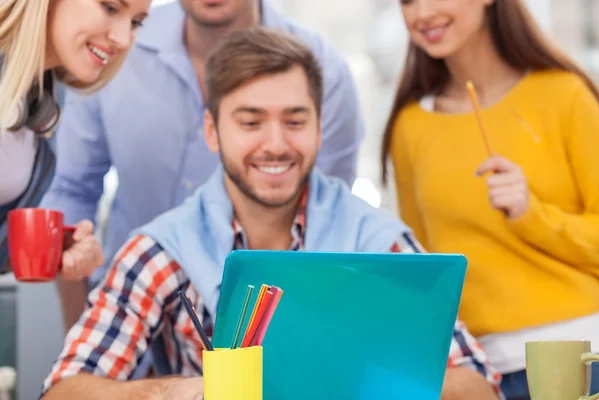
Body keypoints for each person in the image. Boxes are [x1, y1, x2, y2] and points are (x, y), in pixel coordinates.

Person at [41, 27, 501, 400]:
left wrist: (358, 379)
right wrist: (181, 391)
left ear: (320, 129)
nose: (276, 144)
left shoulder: (380, 244)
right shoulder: (162, 251)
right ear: (213, 131)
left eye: (295, 121)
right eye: (250, 122)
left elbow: (479, 384)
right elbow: (64, 390)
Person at [39, 0, 365, 330]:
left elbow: (326, 223)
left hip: (270, 336)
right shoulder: (114, 44)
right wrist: (83, 327)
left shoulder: (322, 73)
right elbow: (70, 190)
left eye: (292, 121)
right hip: (129, 318)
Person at [381, 0, 599, 398]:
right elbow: (424, 269)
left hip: (580, 359)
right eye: (408, 1)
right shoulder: (409, 127)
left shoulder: (564, 95)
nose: (421, 13)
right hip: (479, 378)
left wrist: (531, 214)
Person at [0, 0, 150, 294]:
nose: (122, 39)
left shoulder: (44, 101)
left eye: (136, 23)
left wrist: (54, 246)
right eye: (109, 7)